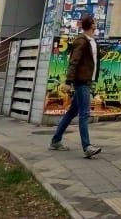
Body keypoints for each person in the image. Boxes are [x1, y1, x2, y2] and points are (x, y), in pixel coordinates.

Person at [49, 15, 102, 158]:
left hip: (87, 81)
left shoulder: (92, 41)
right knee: (84, 114)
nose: (96, 24)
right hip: (81, 82)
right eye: (95, 22)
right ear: (91, 25)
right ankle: (87, 147)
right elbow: (74, 61)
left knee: (72, 112)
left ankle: (55, 141)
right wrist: (68, 82)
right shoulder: (81, 41)